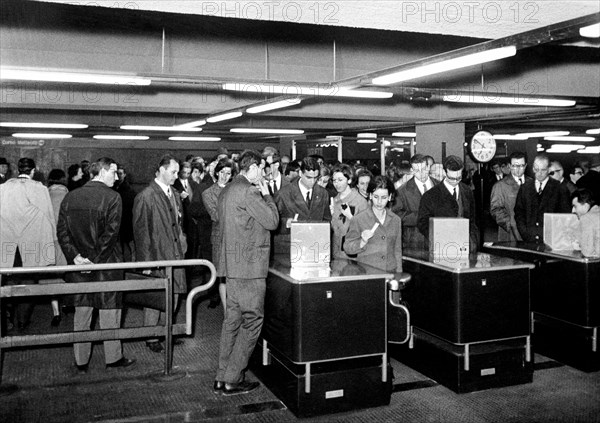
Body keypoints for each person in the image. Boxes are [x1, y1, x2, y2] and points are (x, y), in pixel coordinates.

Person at [57, 157, 135, 373]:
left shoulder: (70, 196)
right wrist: (96, 261)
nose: (117, 177)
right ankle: (113, 358)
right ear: (102, 171)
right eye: (114, 172)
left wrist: (75, 257)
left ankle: (81, 362)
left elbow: (62, 232)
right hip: (107, 266)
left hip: (79, 267)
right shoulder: (113, 197)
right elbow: (110, 235)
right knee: (110, 313)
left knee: (82, 314)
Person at [214, 150, 279, 396]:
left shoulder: (227, 190)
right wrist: (267, 194)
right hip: (250, 269)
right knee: (252, 322)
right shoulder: (250, 191)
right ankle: (233, 378)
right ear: (252, 168)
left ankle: (222, 375)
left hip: (232, 267)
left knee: (232, 321)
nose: (263, 173)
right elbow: (272, 221)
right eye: (262, 168)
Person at [133, 154, 187, 353]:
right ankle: (151, 335)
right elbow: (141, 233)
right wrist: (145, 263)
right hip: (156, 254)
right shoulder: (146, 196)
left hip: (174, 253)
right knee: (155, 298)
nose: (176, 176)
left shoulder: (173, 193)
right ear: (162, 170)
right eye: (173, 172)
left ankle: (166, 332)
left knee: (173, 296)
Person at [0, 158, 56, 332]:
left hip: (7, 245)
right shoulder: (39, 189)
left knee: (6, 284)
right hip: (31, 246)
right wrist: (53, 239)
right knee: (28, 283)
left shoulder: (3, 188)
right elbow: (48, 216)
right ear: (33, 171)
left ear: (17, 170)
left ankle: (6, 320)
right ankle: (22, 322)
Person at [417, 155, 479, 252]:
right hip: (441, 247)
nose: (455, 181)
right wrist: (439, 237)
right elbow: (422, 223)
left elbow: (472, 220)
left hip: (466, 246)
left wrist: (474, 241)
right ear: (445, 172)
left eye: (458, 178)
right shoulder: (430, 196)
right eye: (451, 178)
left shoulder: (467, 191)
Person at [344, 175, 403, 275]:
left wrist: (399, 273)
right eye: (376, 197)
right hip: (367, 273)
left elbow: (397, 250)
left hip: (390, 271)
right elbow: (347, 247)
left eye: (384, 197)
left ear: (389, 197)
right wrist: (362, 242)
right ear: (370, 195)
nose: (379, 202)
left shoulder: (396, 220)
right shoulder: (359, 219)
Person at [274, 157, 332, 252]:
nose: (312, 182)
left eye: (315, 178)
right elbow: (273, 223)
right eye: (308, 177)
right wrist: (286, 223)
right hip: (290, 248)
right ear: (300, 174)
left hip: (315, 248)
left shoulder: (323, 193)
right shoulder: (283, 194)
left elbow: (327, 220)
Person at [202, 158, 234, 314]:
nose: (225, 176)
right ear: (216, 173)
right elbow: (215, 216)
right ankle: (227, 311)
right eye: (222, 172)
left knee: (235, 275)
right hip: (219, 239)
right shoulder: (207, 193)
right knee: (222, 275)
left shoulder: (235, 190)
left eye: (228, 173)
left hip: (236, 238)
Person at [514, 153, 571, 243]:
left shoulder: (560, 188)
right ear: (533, 169)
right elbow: (519, 212)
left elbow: (565, 215)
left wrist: (555, 236)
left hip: (552, 240)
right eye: (536, 170)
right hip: (529, 240)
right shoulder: (525, 188)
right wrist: (525, 233)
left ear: (548, 170)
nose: (539, 173)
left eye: (543, 170)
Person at [393, 154, 439, 250]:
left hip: (439, 240)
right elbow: (397, 215)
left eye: (423, 169)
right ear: (412, 171)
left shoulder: (440, 187)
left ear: (428, 167)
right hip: (415, 244)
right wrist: (422, 217)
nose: (421, 173)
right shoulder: (402, 191)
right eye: (417, 171)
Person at [490, 152, 531, 242]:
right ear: (509, 166)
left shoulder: (532, 183)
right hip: (509, 235)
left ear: (526, 166)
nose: (518, 169)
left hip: (530, 234)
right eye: (514, 166)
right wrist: (511, 225)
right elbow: (495, 210)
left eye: (521, 166)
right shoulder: (500, 186)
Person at [330, 163, 368, 259]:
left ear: (349, 180)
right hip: (337, 253)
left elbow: (366, 229)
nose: (336, 183)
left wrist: (351, 217)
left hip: (354, 254)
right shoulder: (334, 200)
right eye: (334, 180)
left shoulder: (360, 201)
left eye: (340, 180)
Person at [47, 168, 69, 326]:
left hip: (48, 240)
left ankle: (56, 312)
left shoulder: (44, 195)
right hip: (63, 241)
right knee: (67, 273)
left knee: (51, 277)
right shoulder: (67, 196)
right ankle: (68, 302)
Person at [114, 165, 137, 262]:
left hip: (126, 222)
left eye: (120, 174)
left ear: (124, 175)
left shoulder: (129, 191)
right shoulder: (114, 188)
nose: (119, 176)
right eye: (117, 174)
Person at [571, 189, 599, 258]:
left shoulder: (586, 218)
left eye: (575, 206)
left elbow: (587, 252)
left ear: (586, 206)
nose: (573, 210)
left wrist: (579, 245)